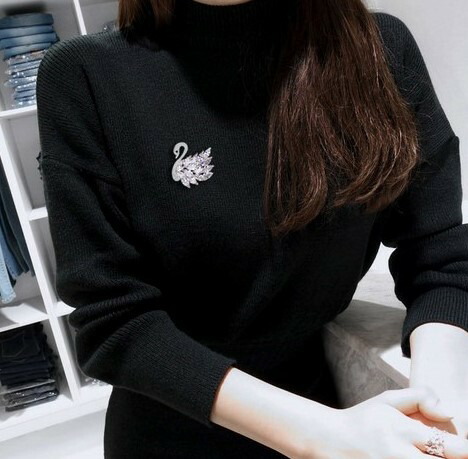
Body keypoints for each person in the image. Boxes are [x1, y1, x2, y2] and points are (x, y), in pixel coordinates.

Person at [35, 0, 468, 457]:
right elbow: (113, 322)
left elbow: (438, 251)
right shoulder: (86, 75)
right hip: (171, 433)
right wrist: (321, 435)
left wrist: (438, 407)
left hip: (323, 404)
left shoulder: (378, 48)